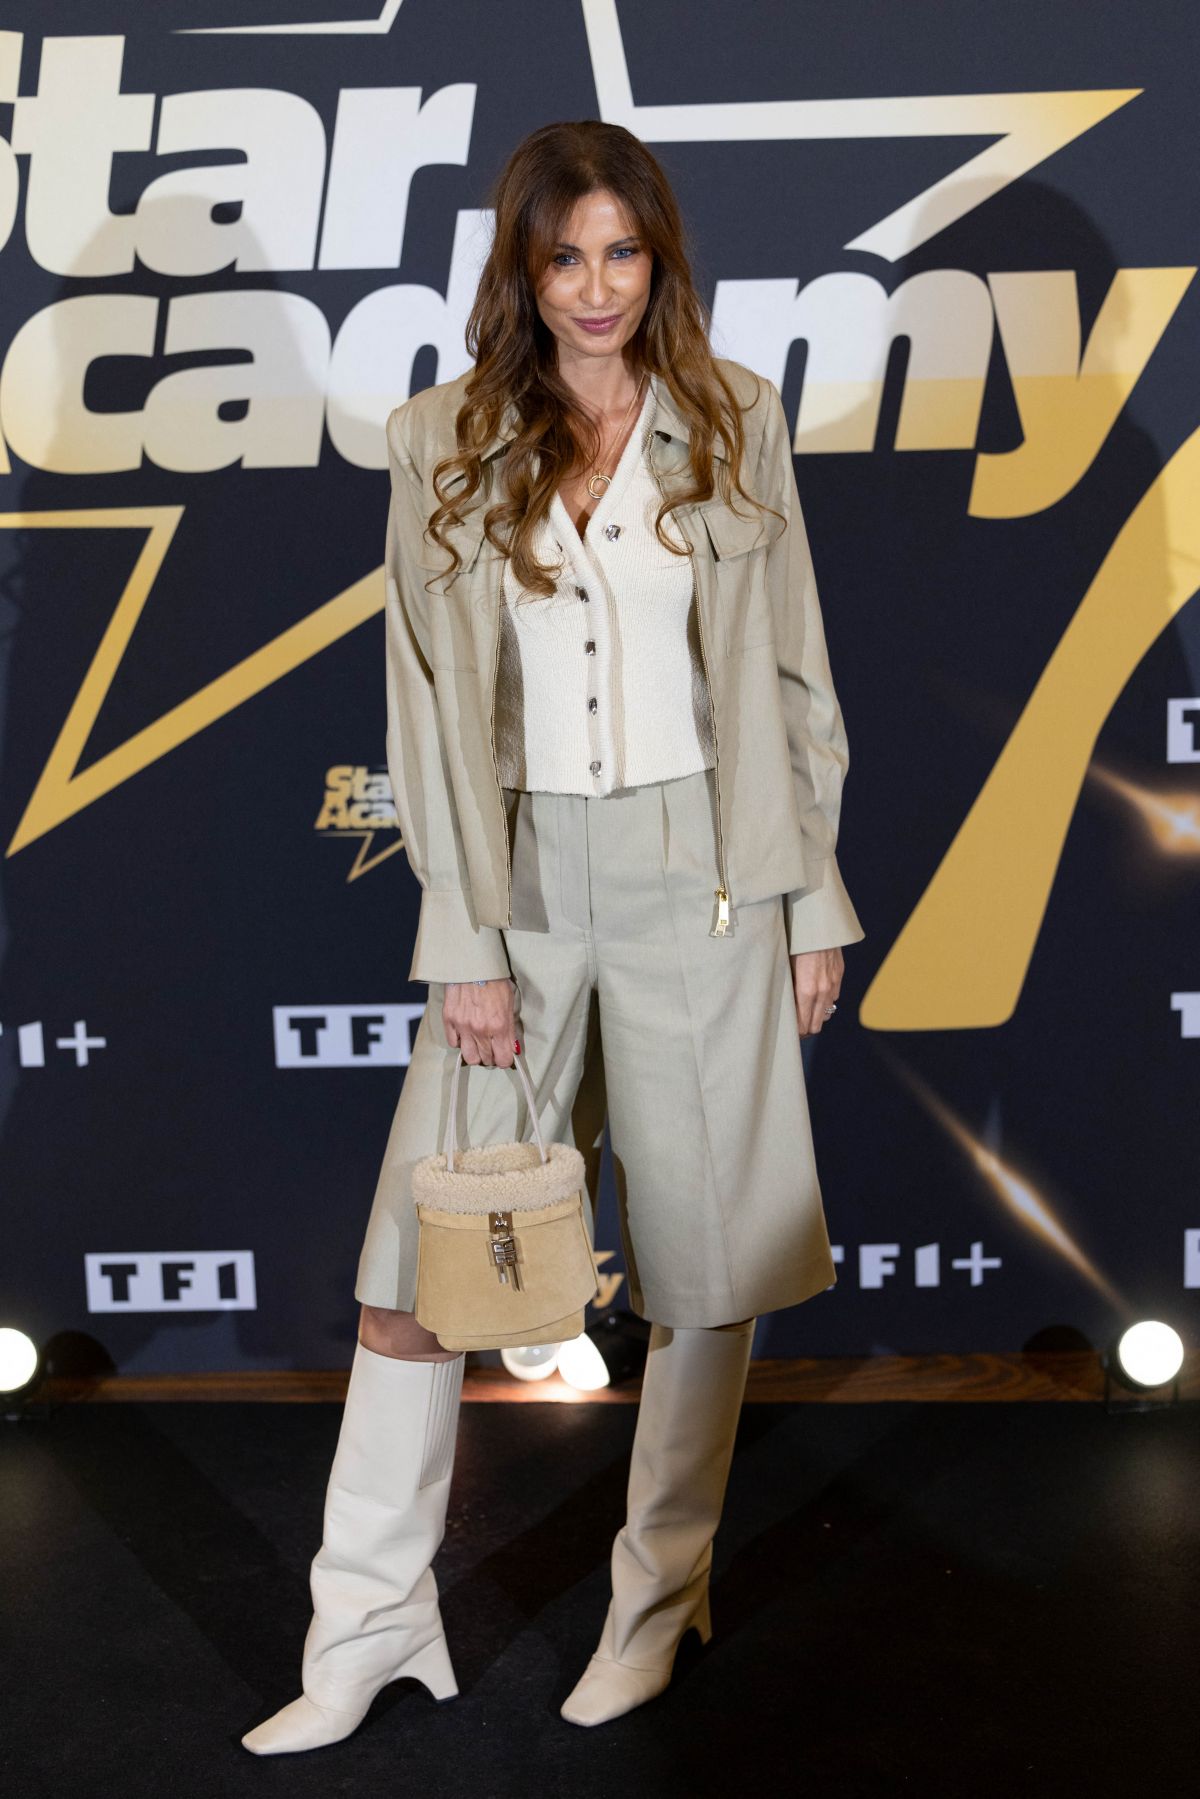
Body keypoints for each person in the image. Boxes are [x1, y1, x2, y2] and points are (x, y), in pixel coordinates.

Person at [242, 118, 865, 1756]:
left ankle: (655, 1608)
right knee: (414, 1277)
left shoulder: (737, 421)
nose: (596, 288)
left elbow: (795, 685)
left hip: (709, 881)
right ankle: (367, 1630)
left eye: (624, 252)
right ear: (523, 272)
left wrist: (814, 900)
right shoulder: (439, 436)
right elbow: (425, 705)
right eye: (562, 256)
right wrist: (461, 932)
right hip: (514, 890)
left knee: (704, 1277)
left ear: (661, 260)